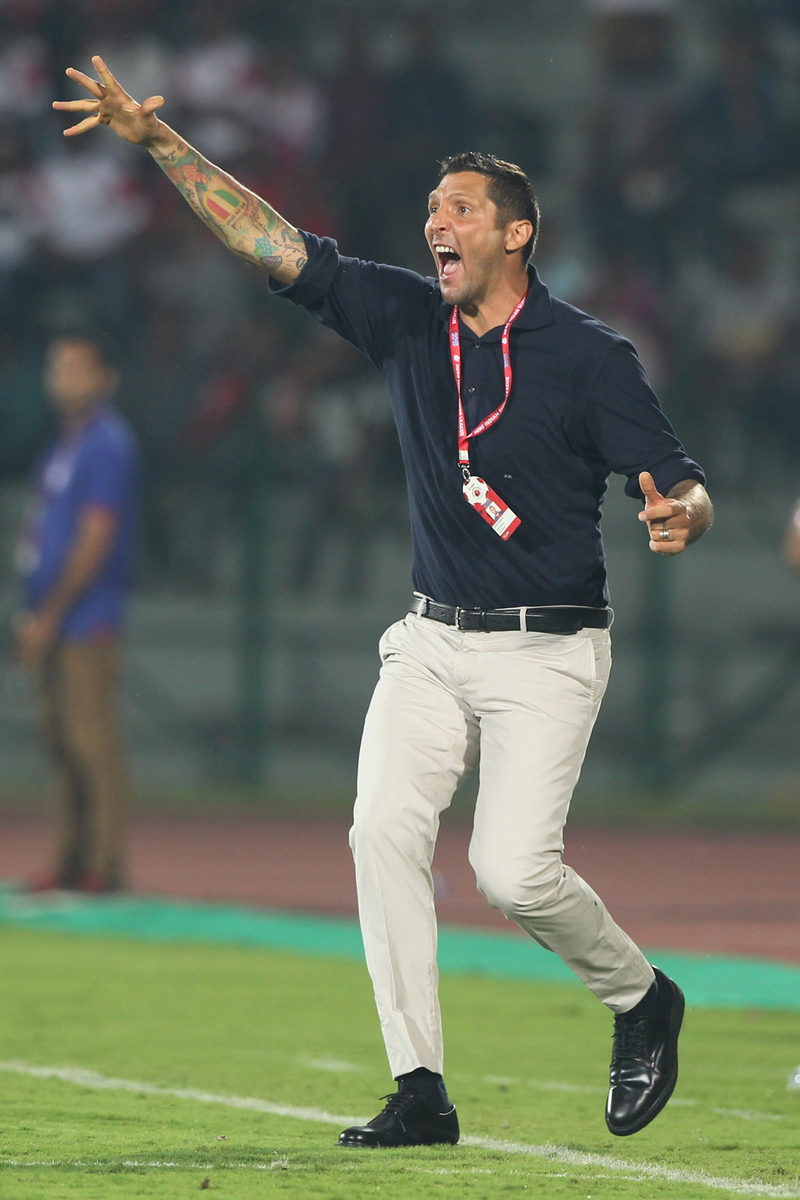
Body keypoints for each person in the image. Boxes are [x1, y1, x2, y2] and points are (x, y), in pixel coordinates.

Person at [55, 57, 713, 1143]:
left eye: (461, 209)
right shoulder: (408, 316)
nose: (436, 224)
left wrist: (683, 513)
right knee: (379, 834)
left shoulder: (591, 358)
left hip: (546, 650)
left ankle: (641, 998)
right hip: (430, 640)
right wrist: (161, 143)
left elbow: (680, 481)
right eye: (430, 209)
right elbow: (272, 244)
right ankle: (420, 1087)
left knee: (511, 872)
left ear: (518, 234)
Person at [15, 333, 138, 893]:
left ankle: (104, 866)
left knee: (91, 742)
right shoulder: (63, 446)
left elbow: (96, 536)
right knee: (61, 743)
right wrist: (34, 611)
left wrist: (51, 610)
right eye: (57, 368)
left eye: (76, 369)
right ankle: (69, 859)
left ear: (103, 378)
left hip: (86, 616)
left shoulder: (107, 443)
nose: (63, 379)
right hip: (52, 615)